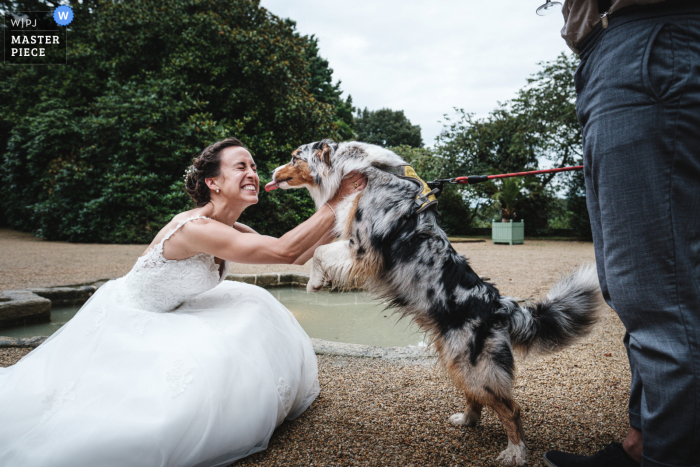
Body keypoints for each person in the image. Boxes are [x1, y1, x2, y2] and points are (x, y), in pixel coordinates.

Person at [0, 137, 366, 467]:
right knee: (150, 419)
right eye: (241, 166)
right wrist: (337, 200)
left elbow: (298, 255)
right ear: (213, 182)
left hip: (174, 310)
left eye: (253, 166)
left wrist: (353, 208)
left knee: (253, 306)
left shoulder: (232, 228)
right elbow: (285, 250)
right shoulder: (195, 228)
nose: (253, 173)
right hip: (133, 318)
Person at [544, 1, 700, 466]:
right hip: (629, 51)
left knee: (658, 296)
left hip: (646, 46)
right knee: (643, 286)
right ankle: (644, 442)